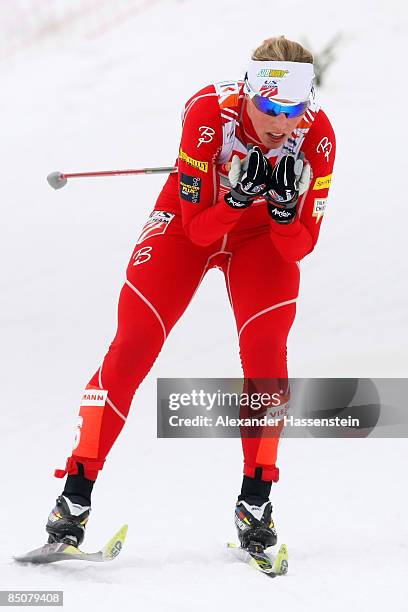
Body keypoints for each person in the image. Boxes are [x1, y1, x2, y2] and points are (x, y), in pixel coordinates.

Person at [45, 36, 336, 552]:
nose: (278, 123)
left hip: (261, 240)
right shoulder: (208, 114)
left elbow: (298, 249)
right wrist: (238, 196)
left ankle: (256, 504)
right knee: (131, 346)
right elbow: (199, 229)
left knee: (267, 358)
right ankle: (73, 498)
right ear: (248, 92)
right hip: (191, 221)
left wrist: (283, 211)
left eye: (292, 111)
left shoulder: (318, 140)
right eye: (267, 106)